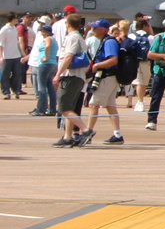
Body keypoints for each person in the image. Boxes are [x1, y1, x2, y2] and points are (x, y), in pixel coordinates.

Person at [83, 19, 125, 144]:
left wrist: (98, 65)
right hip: (110, 78)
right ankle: (117, 134)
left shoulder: (109, 42)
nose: (93, 29)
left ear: (104, 29)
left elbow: (113, 60)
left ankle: (88, 133)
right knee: (110, 105)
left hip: (107, 77)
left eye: (96, 27)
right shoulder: (105, 41)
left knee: (93, 104)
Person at [52, 15, 92, 146]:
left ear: (68, 24)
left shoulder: (72, 37)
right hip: (77, 77)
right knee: (70, 108)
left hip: (70, 76)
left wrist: (58, 74)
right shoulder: (79, 37)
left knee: (63, 108)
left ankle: (86, 130)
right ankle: (67, 136)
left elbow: (68, 56)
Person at [27, 15, 57, 117]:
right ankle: (52, 108)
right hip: (52, 64)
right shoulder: (54, 39)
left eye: (43, 30)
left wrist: (46, 57)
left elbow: (47, 46)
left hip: (45, 64)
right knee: (50, 87)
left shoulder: (47, 38)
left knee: (41, 87)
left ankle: (41, 109)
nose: (41, 32)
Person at [127, 14, 152, 112]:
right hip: (146, 62)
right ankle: (140, 101)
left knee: (138, 81)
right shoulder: (149, 37)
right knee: (143, 82)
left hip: (134, 62)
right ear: (145, 26)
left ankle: (139, 101)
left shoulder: (131, 36)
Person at [0, 13, 22, 100]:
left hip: (16, 55)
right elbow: (0, 44)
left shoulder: (14, 29)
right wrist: (1, 56)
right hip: (7, 56)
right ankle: (6, 91)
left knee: (17, 74)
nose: (17, 20)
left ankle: (15, 89)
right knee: (5, 74)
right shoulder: (4, 30)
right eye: (16, 18)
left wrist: (21, 53)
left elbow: (16, 42)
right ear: (12, 19)